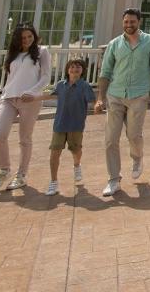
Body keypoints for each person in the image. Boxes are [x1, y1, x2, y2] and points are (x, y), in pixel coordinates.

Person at [94, 7, 150, 197]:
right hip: (115, 95)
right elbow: (105, 73)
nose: (129, 25)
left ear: (139, 22)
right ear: (122, 22)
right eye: (126, 22)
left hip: (139, 95)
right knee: (110, 140)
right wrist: (100, 98)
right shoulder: (114, 44)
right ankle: (113, 179)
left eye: (132, 22)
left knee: (133, 135)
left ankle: (137, 157)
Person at [0, 23, 52, 190]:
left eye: (30, 36)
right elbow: (9, 82)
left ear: (34, 36)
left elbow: (45, 77)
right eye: (23, 38)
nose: (27, 40)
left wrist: (32, 92)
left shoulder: (42, 51)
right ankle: (4, 170)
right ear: (17, 39)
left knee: (25, 139)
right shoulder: (13, 54)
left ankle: (21, 175)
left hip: (30, 101)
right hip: (9, 99)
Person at [43, 57, 97, 196]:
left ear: (82, 71)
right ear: (67, 70)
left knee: (76, 150)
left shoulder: (85, 86)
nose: (74, 69)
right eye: (72, 67)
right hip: (60, 124)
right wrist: (30, 97)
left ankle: (77, 165)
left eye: (78, 67)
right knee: (55, 153)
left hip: (76, 125)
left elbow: (93, 101)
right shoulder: (61, 85)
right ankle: (53, 182)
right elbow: (49, 95)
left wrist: (99, 105)